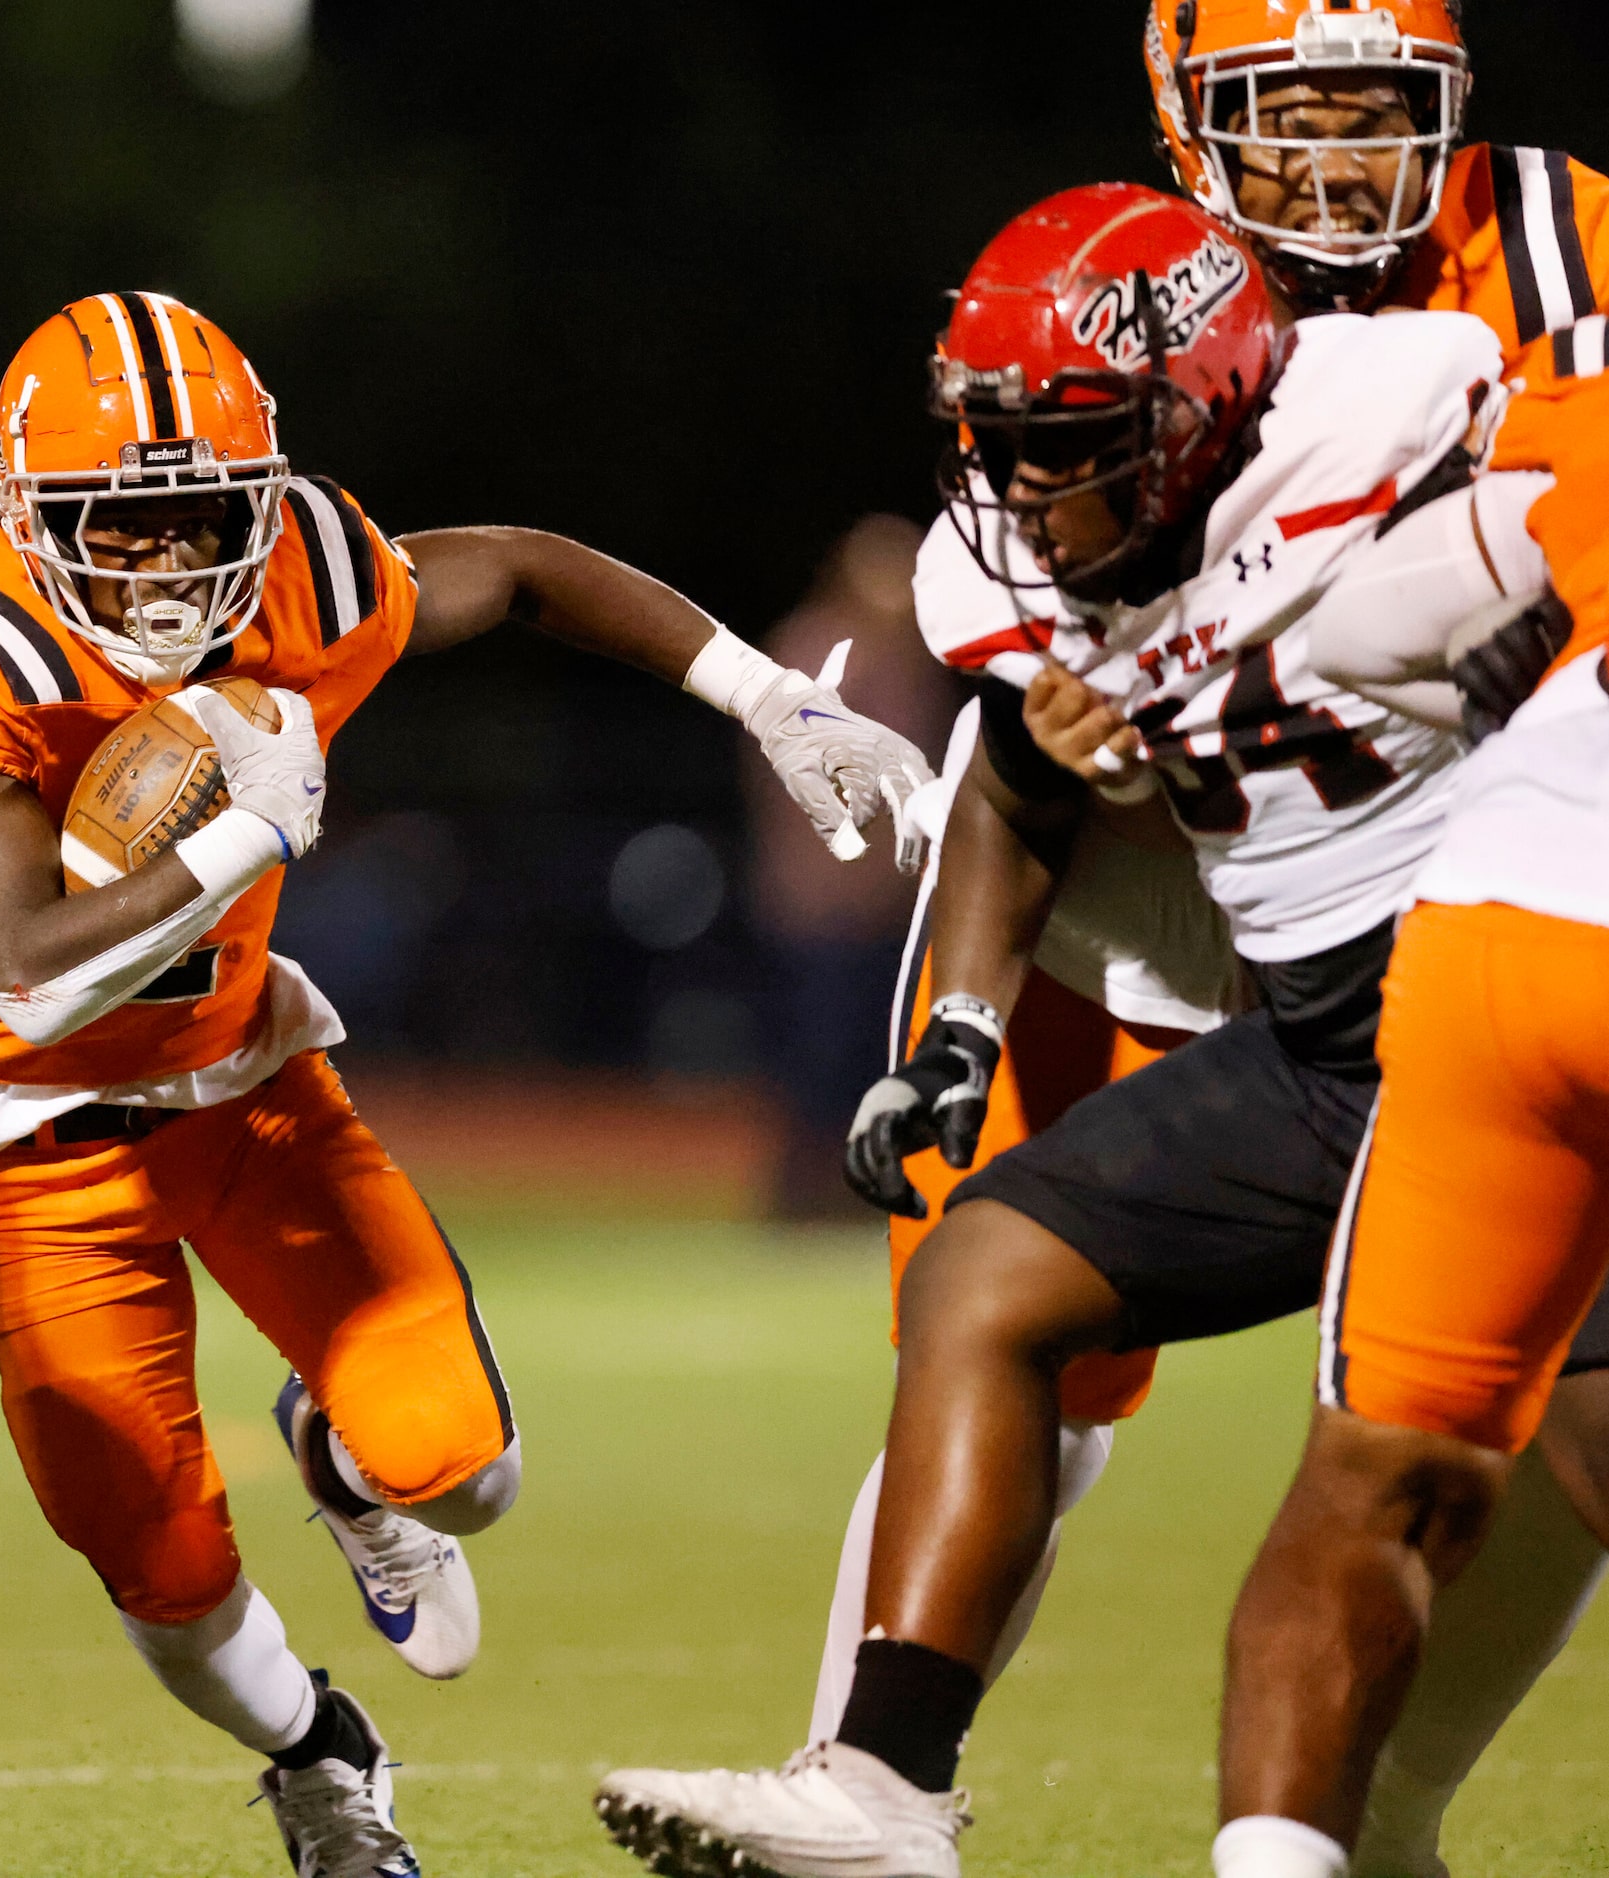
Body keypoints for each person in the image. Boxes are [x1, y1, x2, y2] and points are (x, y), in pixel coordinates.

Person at [680, 4, 1609, 1865]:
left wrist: (1359, 621)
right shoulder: (1091, 335)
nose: (1339, 167)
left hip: (1496, 841)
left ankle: (1393, 1802)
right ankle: (863, 1777)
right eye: (1289, 117)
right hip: (1185, 875)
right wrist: (959, 1001)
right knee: (994, 1298)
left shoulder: (1477, 313)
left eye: (1379, 118)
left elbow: (1548, 534)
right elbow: (1027, 734)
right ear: (1188, 118)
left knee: (1521, 1431)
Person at [0, 291, 932, 1877]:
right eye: (121, 524)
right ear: (27, 517)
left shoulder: (301, 563)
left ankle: (343, 1458)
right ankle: (321, 1753)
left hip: (236, 1082)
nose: (167, 561)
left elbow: (522, 567)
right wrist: (242, 832)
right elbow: (21, 966)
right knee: (153, 1563)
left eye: (196, 514)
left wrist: (761, 698)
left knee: (467, 1468)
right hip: (31, 1135)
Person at [1204, 373, 1609, 1878]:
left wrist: (1500, 686)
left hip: (1501, 914)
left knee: (1372, 1476)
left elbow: (1361, 630)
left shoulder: (1588, 416)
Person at [741, 517, 958, 1217]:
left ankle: (856, 1187)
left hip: (890, 905)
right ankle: (798, 1200)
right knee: (818, 1053)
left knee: (877, 1047)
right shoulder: (813, 658)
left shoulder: (912, 670)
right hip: (823, 902)